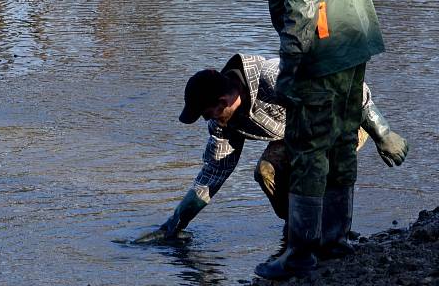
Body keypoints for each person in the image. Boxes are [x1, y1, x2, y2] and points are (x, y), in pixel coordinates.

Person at [220, 0, 387, 280]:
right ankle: (336, 239)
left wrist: (292, 65)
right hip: (356, 43)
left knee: (308, 149)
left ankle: (300, 255)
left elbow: (301, 1)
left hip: (321, 54)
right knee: (343, 140)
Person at [133, 54, 408, 247]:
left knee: (312, 168)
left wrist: (382, 131)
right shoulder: (224, 123)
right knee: (266, 171)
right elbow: (212, 174)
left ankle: (333, 235)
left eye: (208, 114)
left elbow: (342, 85)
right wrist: (174, 225)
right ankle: (300, 231)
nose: (209, 120)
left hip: (343, 118)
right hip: (298, 134)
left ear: (223, 101)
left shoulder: (272, 76)